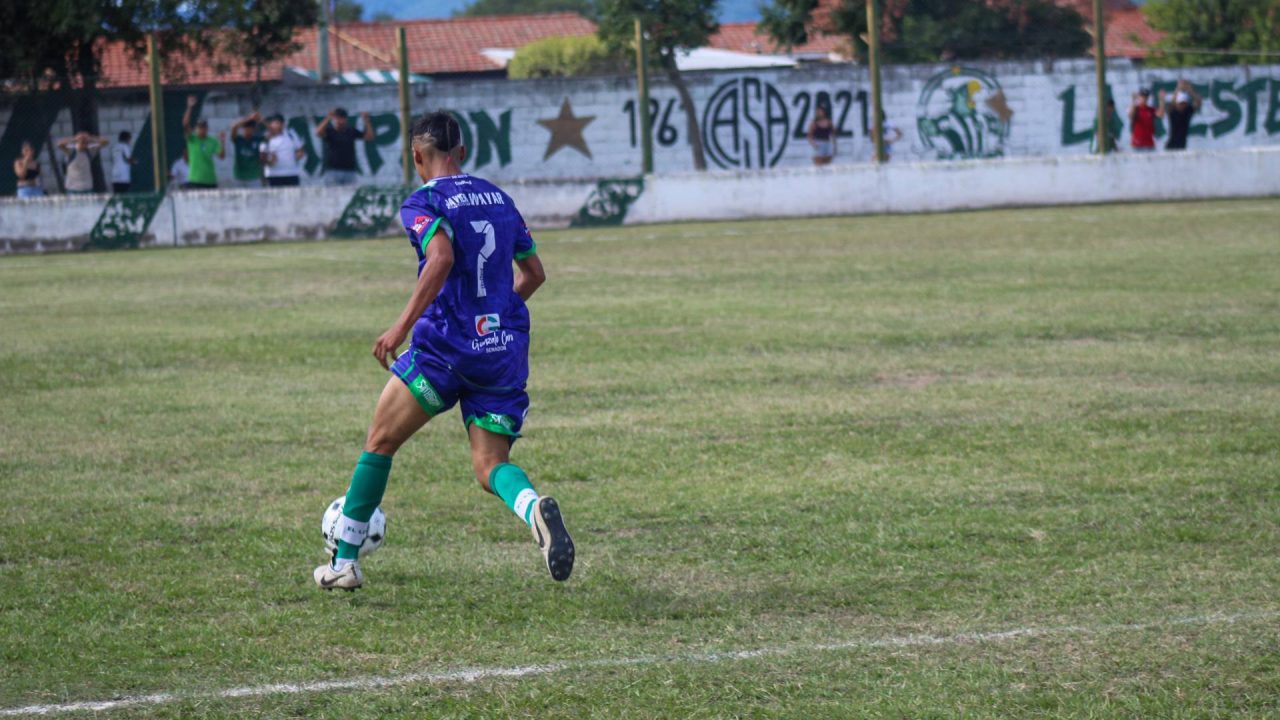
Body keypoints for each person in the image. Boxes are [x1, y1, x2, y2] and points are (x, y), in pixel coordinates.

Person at [313, 111, 572, 592]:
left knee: (381, 440)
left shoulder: (423, 201)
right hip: (501, 348)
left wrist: (400, 326)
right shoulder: (499, 197)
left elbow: (443, 257)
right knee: (489, 464)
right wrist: (494, 315)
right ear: (463, 152)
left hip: (445, 348)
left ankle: (343, 561)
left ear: (417, 156)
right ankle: (532, 507)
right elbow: (534, 274)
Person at [316, 107, 373, 185]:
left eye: (342, 118)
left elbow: (369, 137)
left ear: (346, 119)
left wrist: (367, 121)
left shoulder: (351, 131)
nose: (340, 121)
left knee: (350, 195)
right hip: (333, 171)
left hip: (349, 171)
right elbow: (318, 132)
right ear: (334, 119)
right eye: (338, 118)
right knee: (331, 195)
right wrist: (328, 118)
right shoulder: (330, 131)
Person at [182, 95, 225, 189]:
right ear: (196, 128)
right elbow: (185, 124)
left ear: (207, 128)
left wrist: (222, 141)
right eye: (199, 127)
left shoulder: (212, 141)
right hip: (195, 179)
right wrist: (189, 107)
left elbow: (221, 156)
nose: (201, 129)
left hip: (210, 180)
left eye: (203, 127)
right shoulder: (192, 139)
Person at [260, 113, 305, 187]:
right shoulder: (266, 137)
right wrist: (270, 161)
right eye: (275, 123)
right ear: (271, 124)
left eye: (280, 123)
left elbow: (300, 150)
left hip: (291, 173)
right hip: (273, 174)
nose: (278, 126)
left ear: (283, 124)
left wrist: (299, 155)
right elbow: (262, 156)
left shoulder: (291, 134)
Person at [1160, 80, 1202, 151]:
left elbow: (1198, 102)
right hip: (1171, 144)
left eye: (1184, 103)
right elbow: (1172, 103)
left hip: (1182, 144)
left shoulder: (1187, 111)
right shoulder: (1173, 112)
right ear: (1177, 103)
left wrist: (1190, 90)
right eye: (1180, 103)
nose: (1182, 105)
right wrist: (1178, 88)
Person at [230, 111, 266, 188]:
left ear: (254, 129)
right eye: (246, 128)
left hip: (254, 176)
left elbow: (272, 132)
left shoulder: (257, 139)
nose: (248, 130)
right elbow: (233, 127)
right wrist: (249, 118)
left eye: (250, 128)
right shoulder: (238, 139)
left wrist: (261, 120)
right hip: (239, 175)